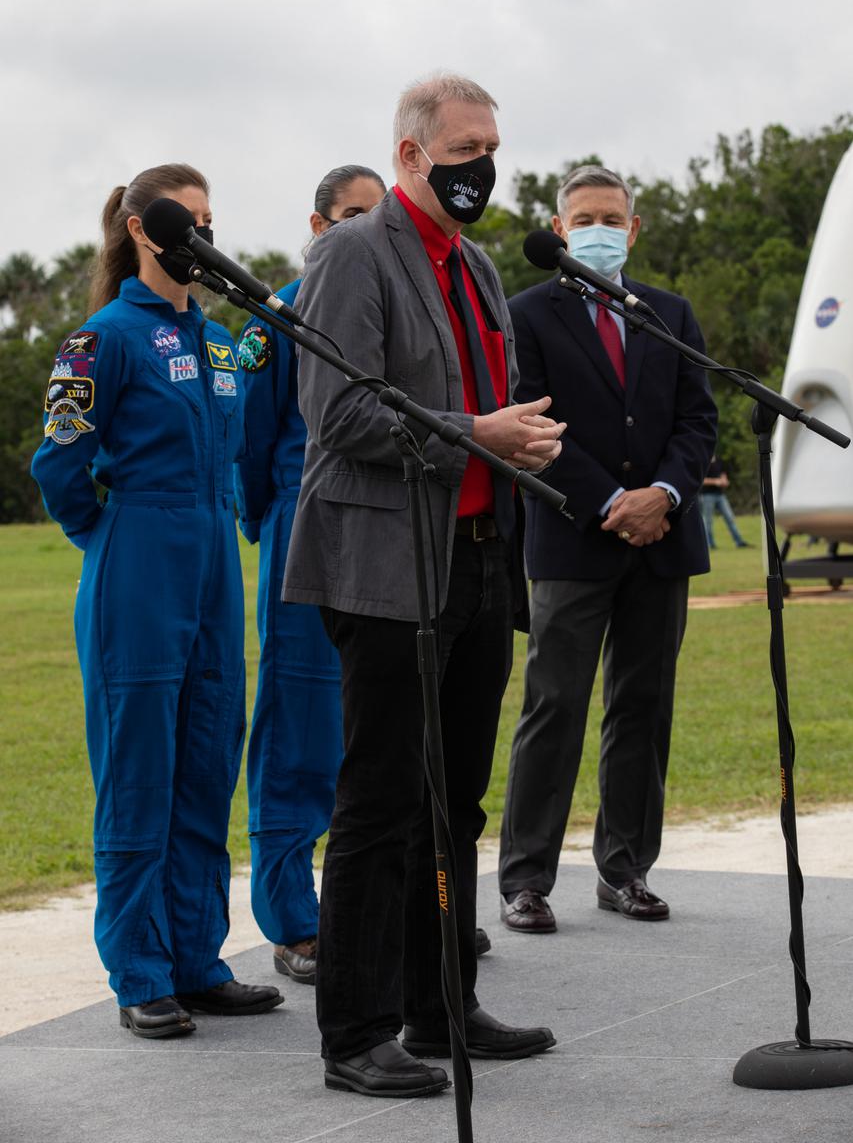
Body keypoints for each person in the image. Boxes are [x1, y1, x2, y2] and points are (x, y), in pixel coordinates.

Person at [283, 73, 564, 1097]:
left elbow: (478, 401)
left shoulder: (479, 262)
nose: (480, 167)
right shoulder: (352, 254)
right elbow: (339, 414)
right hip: (387, 565)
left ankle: (439, 1002)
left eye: (491, 146)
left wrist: (516, 435)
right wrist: (473, 437)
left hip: (480, 554)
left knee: (454, 803)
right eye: (461, 149)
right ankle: (354, 1031)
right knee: (381, 799)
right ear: (409, 156)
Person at [31, 164, 282, 1039]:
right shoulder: (101, 341)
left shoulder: (218, 342)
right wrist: (108, 537)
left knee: (209, 760)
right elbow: (59, 465)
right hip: (137, 560)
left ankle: (196, 959)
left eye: (211, 222)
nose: (201, 238)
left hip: (215, 559)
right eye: (186, 222)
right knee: (140, 771)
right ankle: (138, 968)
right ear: (141, 229)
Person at [498, 165, 717, 933]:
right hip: (569, 539)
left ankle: (626, 870)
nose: (598, 229)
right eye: (583, 216)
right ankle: (525, 879)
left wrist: (663, 494)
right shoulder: (525, 314)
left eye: (611, 218)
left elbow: (698, 420)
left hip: (661, 539)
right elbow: (530, 423)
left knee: (641, 705)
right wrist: (610, 501)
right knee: (553, 706)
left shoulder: (669, 313)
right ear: (559, 229)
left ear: (633, 229)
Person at [234, 165, 387, 986]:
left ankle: (390, 908)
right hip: (305, 519)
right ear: (319, 224)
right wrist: (272, 520)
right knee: (297, 730)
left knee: (386, 725)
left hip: (391, 527)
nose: (366, 230)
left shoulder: (396, 300)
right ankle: (295, 921)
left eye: (378, 216)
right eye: (351, 216)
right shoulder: (278, 315)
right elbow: (250, 441)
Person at [701, 453, 749, 548]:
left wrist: (724, 480)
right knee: (708, 521)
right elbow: (700, 480)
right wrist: (715, 482)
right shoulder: (702, 460)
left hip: (720, 495)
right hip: (707, 496)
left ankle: (739, 542)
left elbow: (723, 473)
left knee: (730, 518)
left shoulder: (719, 460)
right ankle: (709, 544)